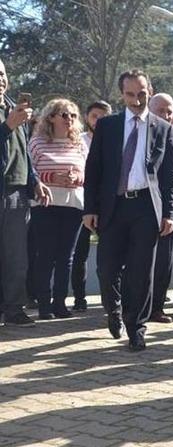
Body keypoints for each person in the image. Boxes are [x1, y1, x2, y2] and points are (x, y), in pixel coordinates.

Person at [83, 69, 173, 351]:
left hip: (146, 208)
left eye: (142, 94)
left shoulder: (163, 128)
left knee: (141, 271)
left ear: (149, 91)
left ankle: (137, 326)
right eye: (130, 95)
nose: (136, 100)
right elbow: (95, 168)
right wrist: (90, 208)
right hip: (113, 205)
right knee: (106, 267)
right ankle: (114, 311)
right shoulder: (108, 126)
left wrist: (169, 212)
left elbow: (171, 176)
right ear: (122, 94)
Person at [0, 58, 51, 328]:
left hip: (18, 194)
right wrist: (7, 126)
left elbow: (24, 153)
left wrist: (35, 180)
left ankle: (14, 309)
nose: (0, 79)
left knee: (17, 256)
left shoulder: (14, 108)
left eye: (3, 73)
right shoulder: (12, 117)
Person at [28, 99, 87, 320]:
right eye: (64, 115)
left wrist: (76, 177)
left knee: (66, 257)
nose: (69, 119)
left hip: (72, 206)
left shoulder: (79, 144)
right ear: (51, 117)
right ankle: (44, 305)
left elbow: (88, 172)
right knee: (45, 255)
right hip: (45, 205)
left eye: (73, 115)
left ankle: (60, 303)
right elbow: (29, 172)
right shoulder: (37, 142)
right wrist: (52, 177)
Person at [146, 93, 173, 323]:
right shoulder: (140, 133)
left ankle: (156, 308)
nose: (166, 116)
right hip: (143, 208)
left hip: (171, 211)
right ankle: (136, 306)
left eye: (169, 112)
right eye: (160, 111)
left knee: (165, 262)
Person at [71, 100, 111, 312]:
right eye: (95, 116)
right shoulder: (78, 141)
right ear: (87, 117)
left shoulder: (113, 140)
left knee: (109, 254)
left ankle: (110, 298)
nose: (98, 120)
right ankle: (79, 298)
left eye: (103, 116)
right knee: (80, 253)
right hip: (81, 200)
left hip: (107, 203)